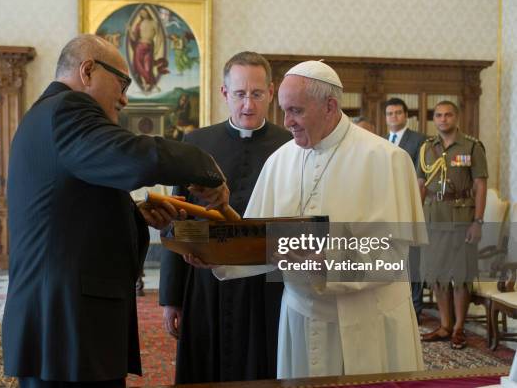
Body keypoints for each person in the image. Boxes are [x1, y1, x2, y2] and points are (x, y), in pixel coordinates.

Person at [2, 34, 228, 388]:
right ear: (88, 70)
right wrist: (207, 164)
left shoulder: (44, 115)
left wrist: (135, 217)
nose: (124, 98)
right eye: (122, 83)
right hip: (66, 321)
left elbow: (66, 210)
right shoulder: (67, 109)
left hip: (61, 318)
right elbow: (136, 157)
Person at [201, 60, 426, 378]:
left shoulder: (386, 159)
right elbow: (257, 240)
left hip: (369, 322)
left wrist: (327, 263)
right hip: (302, 317)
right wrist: (214, 254)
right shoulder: (280, 160)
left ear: (330, 106)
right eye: (283, 110)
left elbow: (392, 256)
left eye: (296, 111)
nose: (286, 121)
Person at [160, 51, 292, 383]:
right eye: (240, 94)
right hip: (206, 283)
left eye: (257, 94)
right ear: (224, 93)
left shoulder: (291, 145)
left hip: (266, 285)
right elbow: (175, 221)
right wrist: (171, 298)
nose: (248, 104)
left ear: (271, 92)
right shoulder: (196, 143)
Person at [419, 101, 487, 350]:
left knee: (460, 275)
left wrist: (478, 221)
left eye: (448, 115)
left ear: (456, 118)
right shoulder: (427, 147)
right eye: (438, 115)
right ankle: (445, 325)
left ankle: (459, 327)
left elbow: (480, 185)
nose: (443, 119)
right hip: (433, 217)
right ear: (433, 119)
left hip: (461, 218)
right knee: (437, 274)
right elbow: (421, 184)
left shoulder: (472, 146)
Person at [384, 97, 427, 321]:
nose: (394, 117)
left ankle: (416, 307)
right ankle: (395, 304)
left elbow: (421, 178)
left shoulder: (419, 140)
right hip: (386, 209)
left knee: (413, 260)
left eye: (398, 113)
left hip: (408, 207)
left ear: (406, 115)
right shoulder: (380, 140)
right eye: (390, 113)